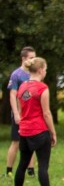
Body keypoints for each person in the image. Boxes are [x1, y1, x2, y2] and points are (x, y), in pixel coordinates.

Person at [14, 57, 60, 186]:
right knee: (43, 166)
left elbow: (21, 111)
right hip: (39, 131)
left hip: (24, 132)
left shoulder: (22, 87)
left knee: (22, 164)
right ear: (40, 70)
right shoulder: (42, 88)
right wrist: (53, 132)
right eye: (45, 69)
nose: (45, 72)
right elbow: (46, 113)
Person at [6, 46, 37, 178]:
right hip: (20, 114)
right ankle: (9, 169)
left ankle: (30, 169)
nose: (33, 60)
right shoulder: (17, 74)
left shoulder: (34, 73)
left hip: (31, 114)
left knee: (33, 141)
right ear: (24, 59)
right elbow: (13, 95)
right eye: (31, 58)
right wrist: (16, 113)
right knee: (16, 141)